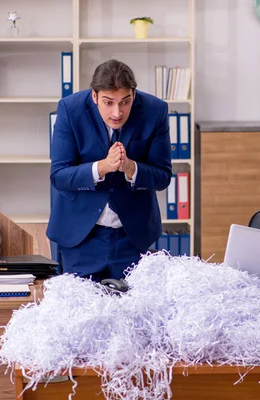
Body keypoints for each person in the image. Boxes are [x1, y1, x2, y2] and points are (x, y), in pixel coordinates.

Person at [46, 59, 172, 281]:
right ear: (94, 96)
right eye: (108, 102)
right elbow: (59, 176)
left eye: (125, 102)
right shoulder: (70, 109)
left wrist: (131, 167)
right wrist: (103, 167)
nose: (117, 112)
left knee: (134, 312)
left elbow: (163, 177)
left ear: (134, 94)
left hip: (133, 237)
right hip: (81, 237)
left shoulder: (155, 110)